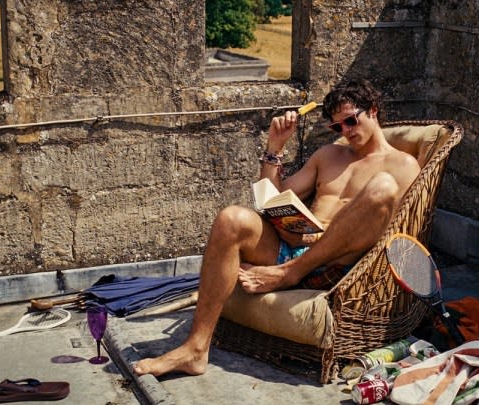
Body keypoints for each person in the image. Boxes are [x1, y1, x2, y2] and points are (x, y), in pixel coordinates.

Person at [132, 79, 421, 377]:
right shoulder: (328, 156)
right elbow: (270, 200)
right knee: (231, 218)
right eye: (338, 127)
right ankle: (195, 349)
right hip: (290, 248)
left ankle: (288, 273)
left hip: (336, 267)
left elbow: (395, 230)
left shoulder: (404, 165)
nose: (346, 132)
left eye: (351, 121)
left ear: (373, 111)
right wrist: (275, 146)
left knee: (382, 187)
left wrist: (316, 245)